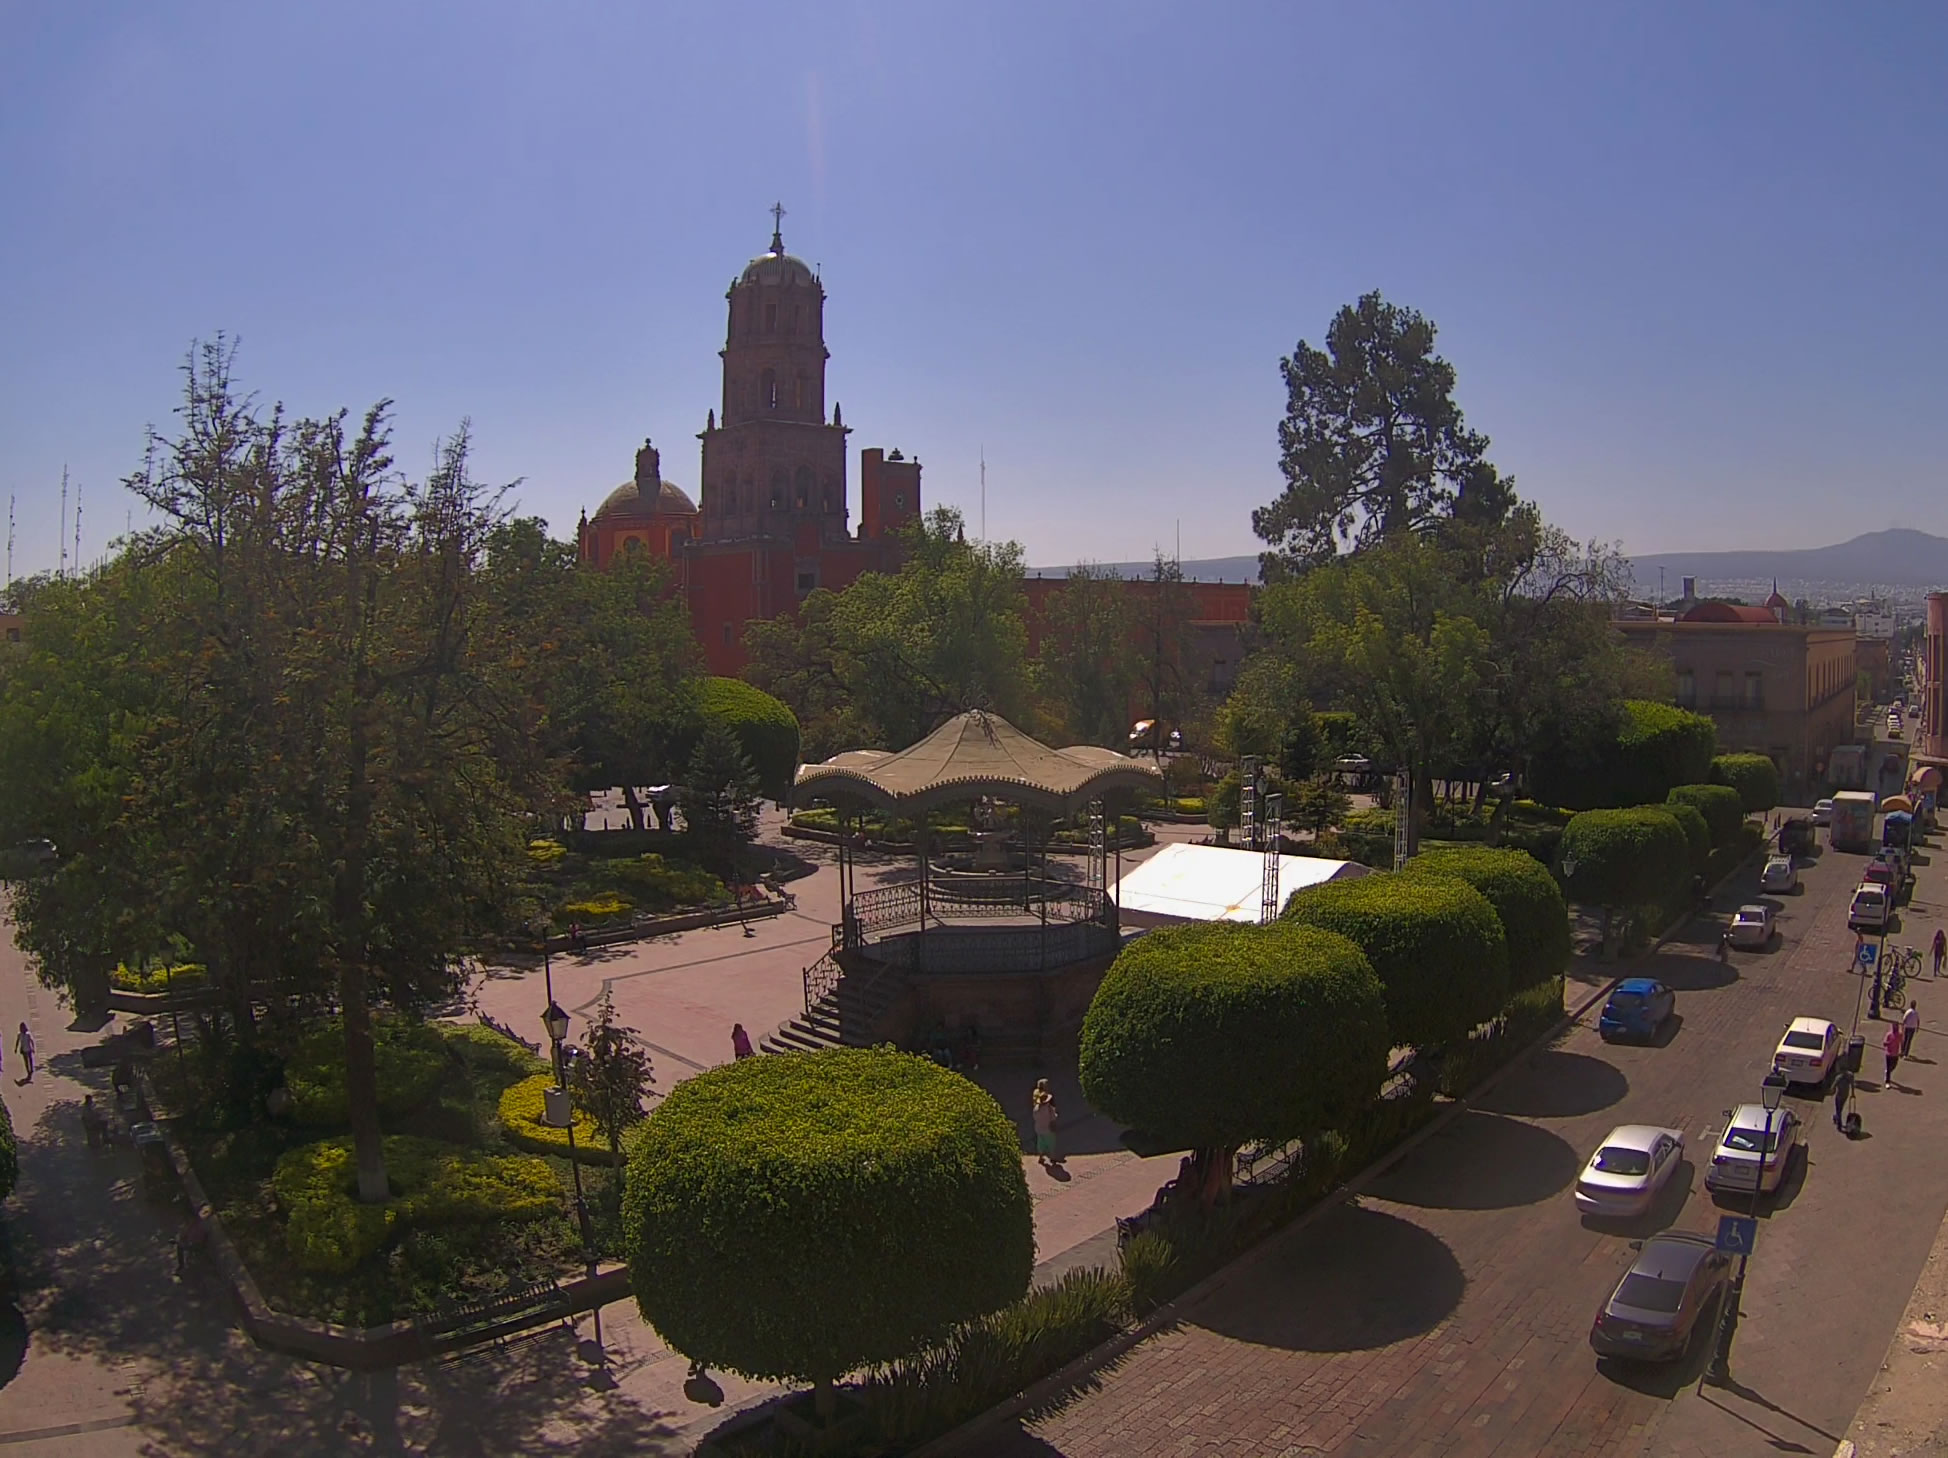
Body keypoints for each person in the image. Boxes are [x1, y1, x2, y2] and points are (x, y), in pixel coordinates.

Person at [1031, 1078, 1061, 1169]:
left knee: (1040, 1143)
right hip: (1048, 1128)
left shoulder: (1036, 1108)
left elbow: (1034, 1117)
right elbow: (1053, 1117)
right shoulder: (1049, 1108)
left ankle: (1041, 1157)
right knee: (1051, 1142)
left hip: (1039, 1128)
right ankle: (1052, 1157)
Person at [1833, 1065, 1856, 1133]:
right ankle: (1836, 1117)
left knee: (1838, 1109)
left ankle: (1839, 1124)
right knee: (1840, 1108)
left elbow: (1833, 1087)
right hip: (1845, 1094)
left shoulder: (1838, 1077)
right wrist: (1852, 1093)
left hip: (1839, 1095)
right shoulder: (1850, 1075)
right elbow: (1852, 1085)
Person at [1885, 1019, 1905, 1086]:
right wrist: (1888, 1043)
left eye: (1896, 1027)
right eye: (1894, 1027)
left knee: (1894, 1066)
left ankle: (1888, 1072)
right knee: (1888, 1068)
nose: (1895, 1028)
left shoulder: (1900, 1035)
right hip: (1888, 1053)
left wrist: (1902, 1051)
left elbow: (1902, 1043)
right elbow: (1884, 1043)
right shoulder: (1889, 1035)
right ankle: (1887, 1082)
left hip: (1895, 1054)